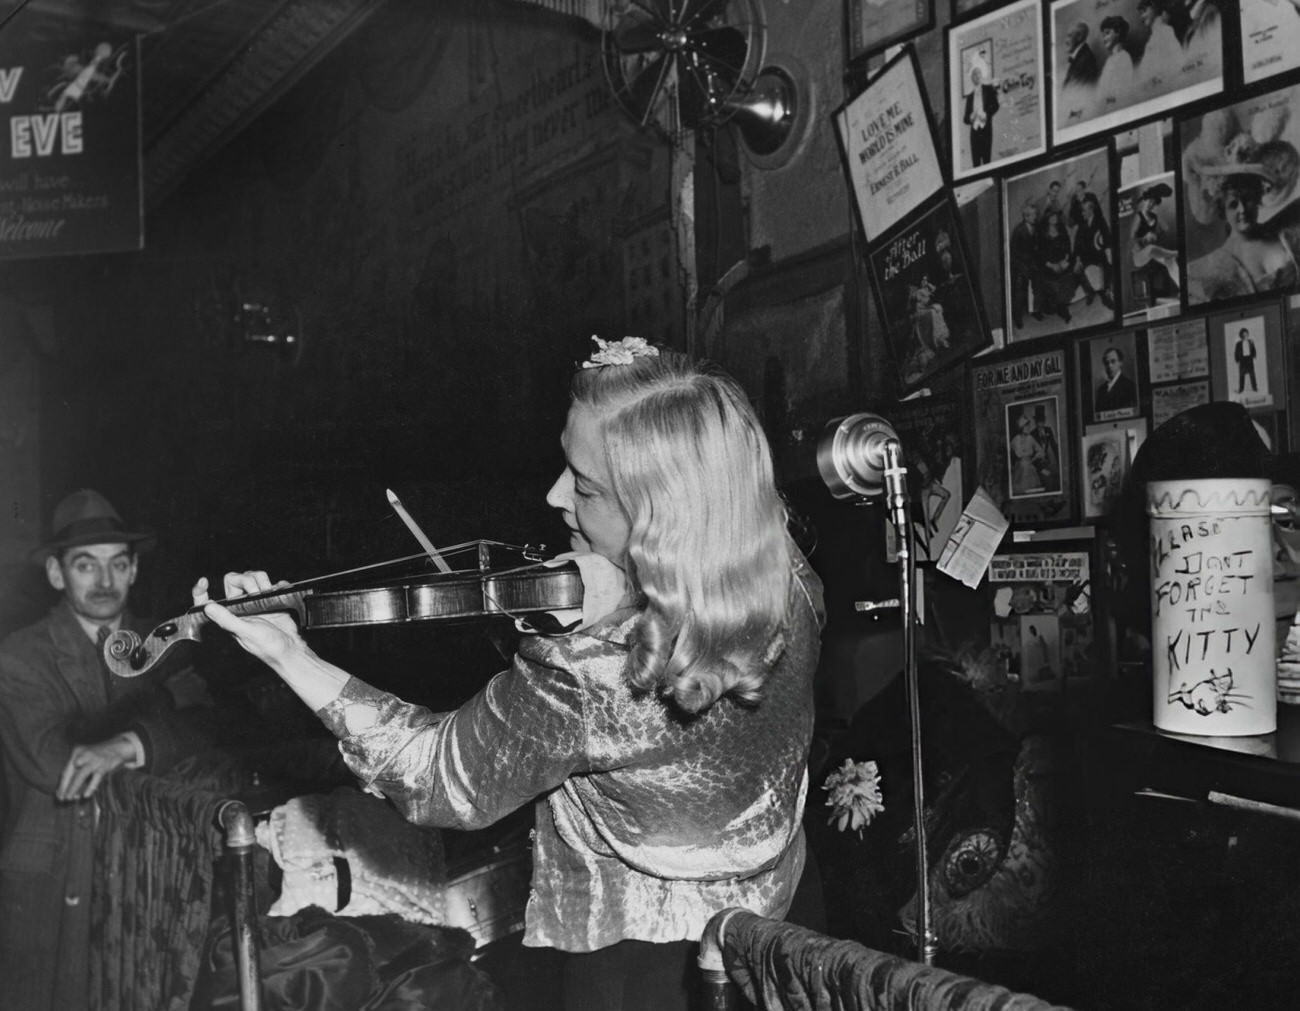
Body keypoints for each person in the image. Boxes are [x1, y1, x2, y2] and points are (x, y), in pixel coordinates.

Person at [192, 339, 826, 1011]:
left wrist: (289, 653)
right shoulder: (788, 573)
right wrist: (634, 585)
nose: (555, 493)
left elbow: (438, 775)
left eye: (584, 486)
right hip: (781, 935)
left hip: (642, 968)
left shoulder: (585, 674)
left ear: (659, 521)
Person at [0, 489, 213, 1011]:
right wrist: (161, 707)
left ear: (134, 570)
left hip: (150, 872)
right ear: (56, 574)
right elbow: (58, 761)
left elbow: (215, 728)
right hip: (52, 874)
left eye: (117, 564)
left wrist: (132, 742)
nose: (103, 581)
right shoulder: (19, 655)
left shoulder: (167, 642)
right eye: (85, 566)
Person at [1186, 171, 1300, 304]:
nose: (1242, 209)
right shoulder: (1212, 265)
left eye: (1248, 199)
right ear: (1223, 211)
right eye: (1233, 205)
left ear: (1257, 199)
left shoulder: (1285, 233)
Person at [1129, 181, 1180, 302]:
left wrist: (1155, 235)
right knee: (1152, 249)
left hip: (1153, 252)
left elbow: (1166, 228)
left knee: (1170, 261)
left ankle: (1182, 287)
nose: (1150, 204)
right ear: (1144, 200)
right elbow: (1131, 241)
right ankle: (1176, 252)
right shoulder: (1138, 216)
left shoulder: (1154, 217)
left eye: (1153, 203)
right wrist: (1144, 238)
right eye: (1149, 201)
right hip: (1139, 254)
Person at [1072, 192, 1115, 310]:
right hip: (1087, 255)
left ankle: (1106, 295)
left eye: (1085, 210)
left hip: (1099, 253)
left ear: (1091, 210)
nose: (1082, 213)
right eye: (1082, 210)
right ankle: (1089, 291)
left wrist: (1108, 251)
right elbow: (1077, 245)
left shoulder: (1100, 220)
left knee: (1108, 265)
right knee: (1076, 270)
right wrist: (1077, 259)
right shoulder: (1082, 225)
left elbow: (1107, 237)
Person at [1036, 209, 1076, 323]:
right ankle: (1062, 309)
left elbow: (1068, 247)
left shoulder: (1062, 229)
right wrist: (1051, 265)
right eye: (1052, 216)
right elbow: (1040, 254)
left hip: (1062, 261)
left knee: (1067, 277)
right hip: (1049, 265)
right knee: (1052, 281)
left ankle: (1063, 307)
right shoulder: (1042, 234)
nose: (1055, 218)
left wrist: (1065, 260)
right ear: (1047, 218)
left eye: (1056, 216)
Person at [1095, 16, 1135, 115]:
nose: (1104, 39)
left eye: (1107, 33)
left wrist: (1104, 101)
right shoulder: (1110, 60)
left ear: (1118, 32)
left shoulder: (1124, 58)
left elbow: (1122, 93)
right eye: (1103, 35)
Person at [1009, 202, 1040, 329]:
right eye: (1033, 215)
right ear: (1026, 217)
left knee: (1038, 287)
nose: (1036, 217)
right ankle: (1018, 318)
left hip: (1032, 263)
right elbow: (1014, 254)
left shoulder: (1036, 227)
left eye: (1036, 214)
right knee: (1019, 292)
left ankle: (1036, 311)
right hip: (1020, 266)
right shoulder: (1018, 231)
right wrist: (1023, 268)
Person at [963, 60, 999, 168]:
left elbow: (996, 105)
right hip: (974, 134)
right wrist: (971, 117)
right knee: (976, 164)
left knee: (987, 161)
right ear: (972, 78)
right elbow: (965, 119)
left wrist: (986, 114)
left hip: (986, 131)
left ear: (982, 74)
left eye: (978, 73)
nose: (977, 76)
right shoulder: (969, 97)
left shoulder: (988, 89)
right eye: (974, 74)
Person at [1010, 409, 1047, 496]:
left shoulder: (1030, 438)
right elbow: (1019, 454)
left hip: (1030, 467)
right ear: (1021, 428)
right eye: (1026, 426)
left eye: (1028, 426)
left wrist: (1034, 458)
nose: (1028, 428)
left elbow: (1041, 451)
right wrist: (1029, 455)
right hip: (1020, 468)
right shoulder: (1016, 439)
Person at [1095, 346, 1138, 416]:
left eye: (1113, 361)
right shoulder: (1101, 390)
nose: (1109, 366)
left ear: (1120, 363)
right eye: (1106, 363)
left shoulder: (1129, 386)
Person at [1063, 21, 1100, 88]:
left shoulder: (1085, 60)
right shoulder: (1081, 56)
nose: (1066, 41)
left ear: (1079, 37)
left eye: (1069, 36)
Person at [1235, 326, 1259, 393]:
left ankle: (1255, 388)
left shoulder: (1251, 342)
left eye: (1246, 334)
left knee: (1252, 374)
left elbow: (1254, 350)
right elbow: (1236, 352)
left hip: (1249, 359)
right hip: (1242, 360)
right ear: (1241, 335)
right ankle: (1241, 389)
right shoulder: (1238, 344)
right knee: (1241, 375)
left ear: (1248, 334)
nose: (1245, 336)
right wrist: (1237, 360)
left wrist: (1254, 357)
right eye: (1244, 335)